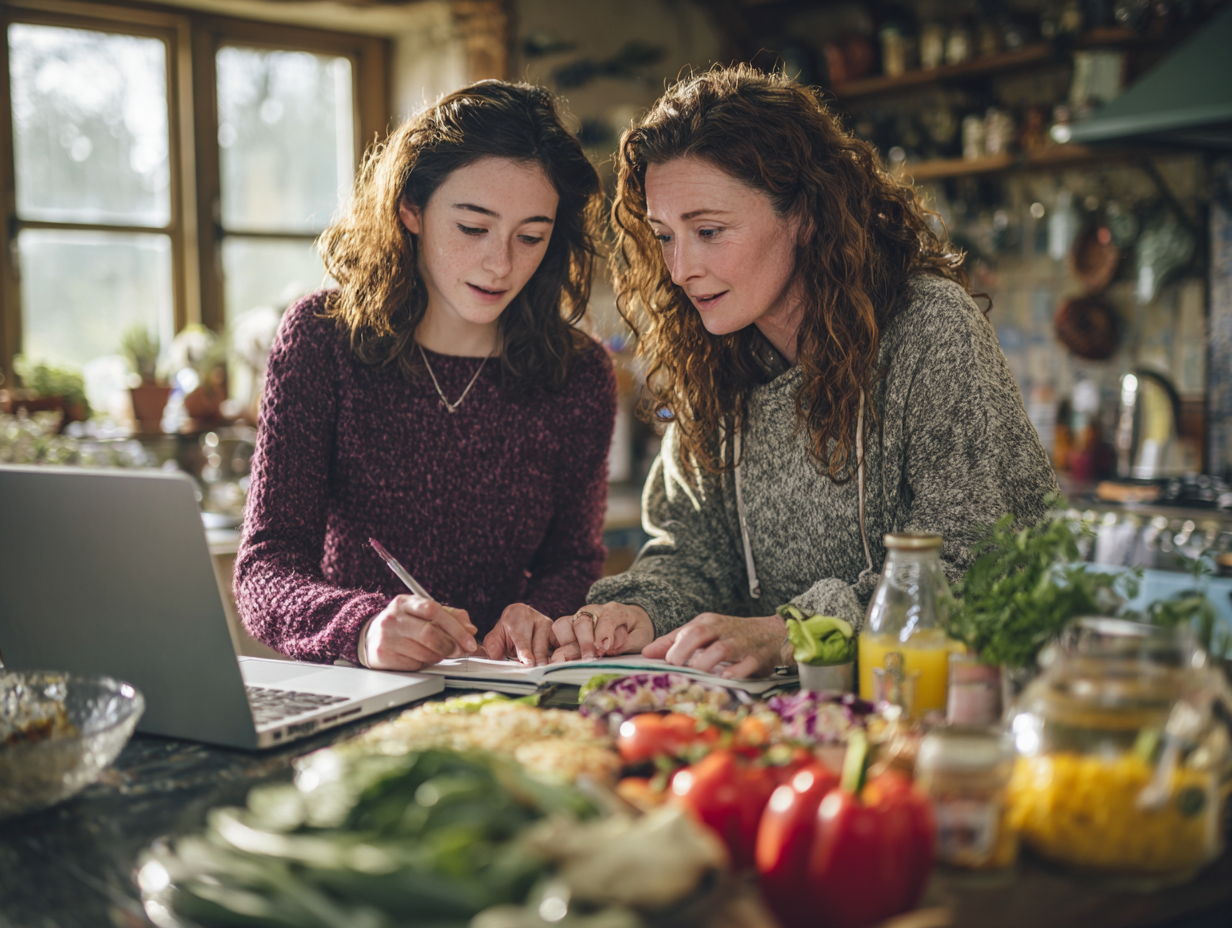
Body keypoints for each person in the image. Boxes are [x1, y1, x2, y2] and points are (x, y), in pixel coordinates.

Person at [548, 66, 1057, 678]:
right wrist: (638, 609)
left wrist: (790, 632)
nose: (680, 269)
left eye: (709, 231)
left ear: (807, 216)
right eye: (665, 236)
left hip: (956, 712)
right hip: (803, 716)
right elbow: (694, 553)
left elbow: (978, 565)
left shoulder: (929, 332)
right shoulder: (715, 356)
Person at [234, 81, 616, 671]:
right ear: (411, 207)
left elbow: (573, 561)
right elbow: (266, 566)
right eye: (472, 227)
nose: (501, 263)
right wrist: (361, 628)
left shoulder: (579, 372)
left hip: (505, 696)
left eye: (531, 236)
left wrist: (536, 612)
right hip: (355, 687)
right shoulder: (322, 337)